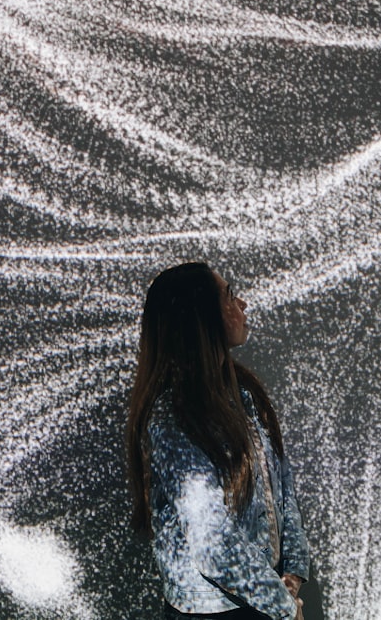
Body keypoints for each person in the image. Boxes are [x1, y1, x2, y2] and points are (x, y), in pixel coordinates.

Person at [126, 262, 311, 619]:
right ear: (199, 317)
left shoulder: (245, 394)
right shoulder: (174, 418)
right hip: (213, 611)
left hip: (264, 599)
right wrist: (283, 605)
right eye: (228, 296)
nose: (242, 303)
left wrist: (291, 573)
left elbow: (281, 484)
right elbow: (212, 542)